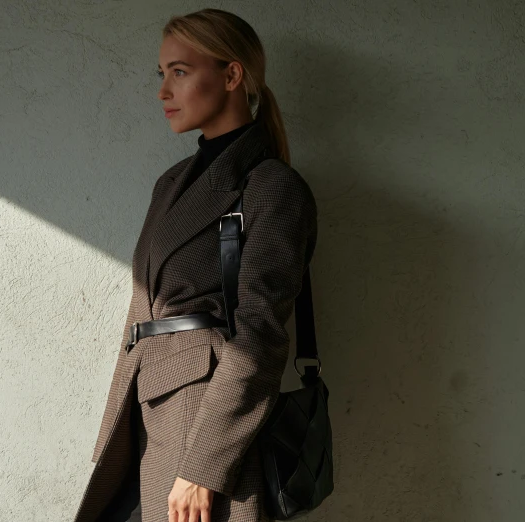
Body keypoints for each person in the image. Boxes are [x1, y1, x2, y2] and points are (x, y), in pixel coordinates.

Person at [74, 8, 318, 522]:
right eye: (161, 74)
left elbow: (261, 335)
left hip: (203, 423)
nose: (163, 90)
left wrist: (205, 467)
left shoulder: (271, 187)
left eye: (179, 72)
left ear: (232, 76)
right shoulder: (172, 183)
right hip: (144, 413)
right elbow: (144, 306)